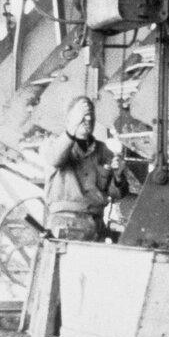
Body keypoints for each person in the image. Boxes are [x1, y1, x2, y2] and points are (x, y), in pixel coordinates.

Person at [40, 96, 116, 241]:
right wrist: (72, 129)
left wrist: (118, 176)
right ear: (69, 119)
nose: (87, 120)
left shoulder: (104, 151)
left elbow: (116, 193)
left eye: (90, 116)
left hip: (95, 225)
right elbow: (55, 159)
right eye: (81, 116)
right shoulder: (51, 144)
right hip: (65, 222)